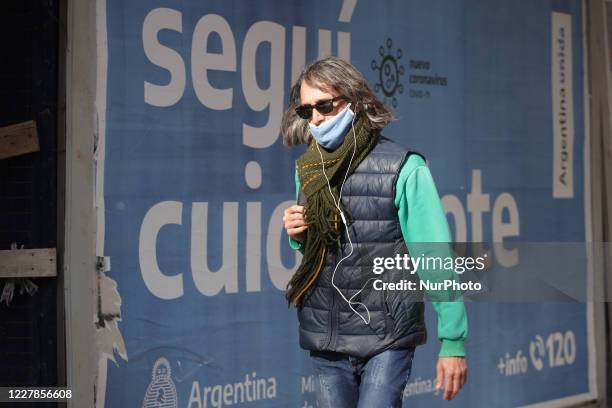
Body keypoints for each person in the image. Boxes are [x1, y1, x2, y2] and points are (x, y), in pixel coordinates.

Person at [281, 56, 468, 407]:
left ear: (355, 101)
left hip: (387, 334)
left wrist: (453, 341)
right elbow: (320, 253)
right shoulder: (308, 168)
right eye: (307, 111)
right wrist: (299, 234)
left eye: (324, 105)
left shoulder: (404, 167)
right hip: (327, 335)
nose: (316, 119)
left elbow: (435, 256)